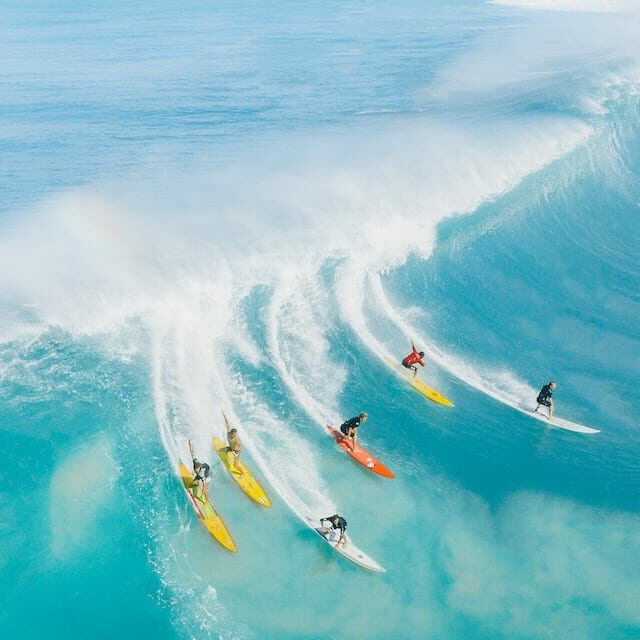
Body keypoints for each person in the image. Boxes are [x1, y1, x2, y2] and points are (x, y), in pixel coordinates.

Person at [222, 411, 242, 475]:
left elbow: (239, 448)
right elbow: (227, 424)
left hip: (236, 452)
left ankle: (242, 473)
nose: (236, 436)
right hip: (231, 448)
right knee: (222, 450)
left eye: (236, 434)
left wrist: (235, 454)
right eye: (234, 434)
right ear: (231, 433)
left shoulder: (237, 440)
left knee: (235, 466)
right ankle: (225, 459)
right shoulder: (228, 433)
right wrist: (224, 415)